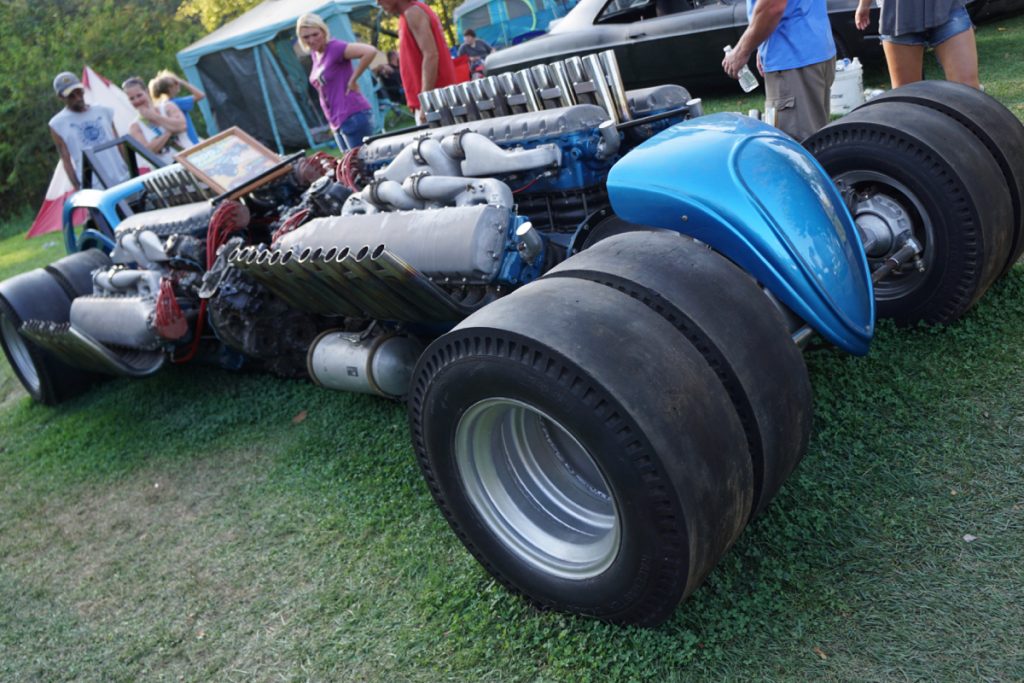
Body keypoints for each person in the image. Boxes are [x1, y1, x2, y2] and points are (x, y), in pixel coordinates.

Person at [722, 0, 836, 141]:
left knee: (797, 149)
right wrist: (762, 44)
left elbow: (772, 6)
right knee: (818, 140)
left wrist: (741, 51)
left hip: (792, 58)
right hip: (814, 49)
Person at [296, 13, 378, 151]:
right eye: (306, 37)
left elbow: (369, 51)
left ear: (323, 31)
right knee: (348, 169)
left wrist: (353, 79)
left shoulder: (335, 47)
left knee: (360, 167)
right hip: (337, 121)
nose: (311, 40)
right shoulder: (315, 54)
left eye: (315, 34)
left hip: (352, 114)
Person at [854, 0, 979, 89]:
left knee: (968, 89)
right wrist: (864, 4)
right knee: (907, 98)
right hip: (898, 14)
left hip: (947, 7)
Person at [376, 0, 457, 123]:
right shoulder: (406, 15)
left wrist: (425, 102)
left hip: (435, 103)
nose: (377, 2)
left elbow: (431, 55)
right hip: (431, 102)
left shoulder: (413, 12)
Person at [48, 71, 130, 191]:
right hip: (94, 187)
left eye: (79, 92)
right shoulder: (58, 124)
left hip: (122, 177)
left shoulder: (103, 111)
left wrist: (130, 169)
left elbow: (119, 144)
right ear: (61, 97)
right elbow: (66, 159)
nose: (77, 98)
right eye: (71, 95)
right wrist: (78, 189)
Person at [122, 76, 193, 166]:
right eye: (132, 98)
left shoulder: (168, 107)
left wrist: (155, 117)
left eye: (139, 95)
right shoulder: (135, 127)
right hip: (169, 168)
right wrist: (168, 132)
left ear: (146, 91)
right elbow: (148, 151)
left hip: (191, 157)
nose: (137, 100)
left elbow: (182, 126)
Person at [149, 70, 206, 145]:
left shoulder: (161, 106)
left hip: (181, 144)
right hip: (191, 142)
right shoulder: (176, 103)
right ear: (169, 88)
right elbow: (201, 95)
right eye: (175, 83)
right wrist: (183, 82)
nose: (178, 84)